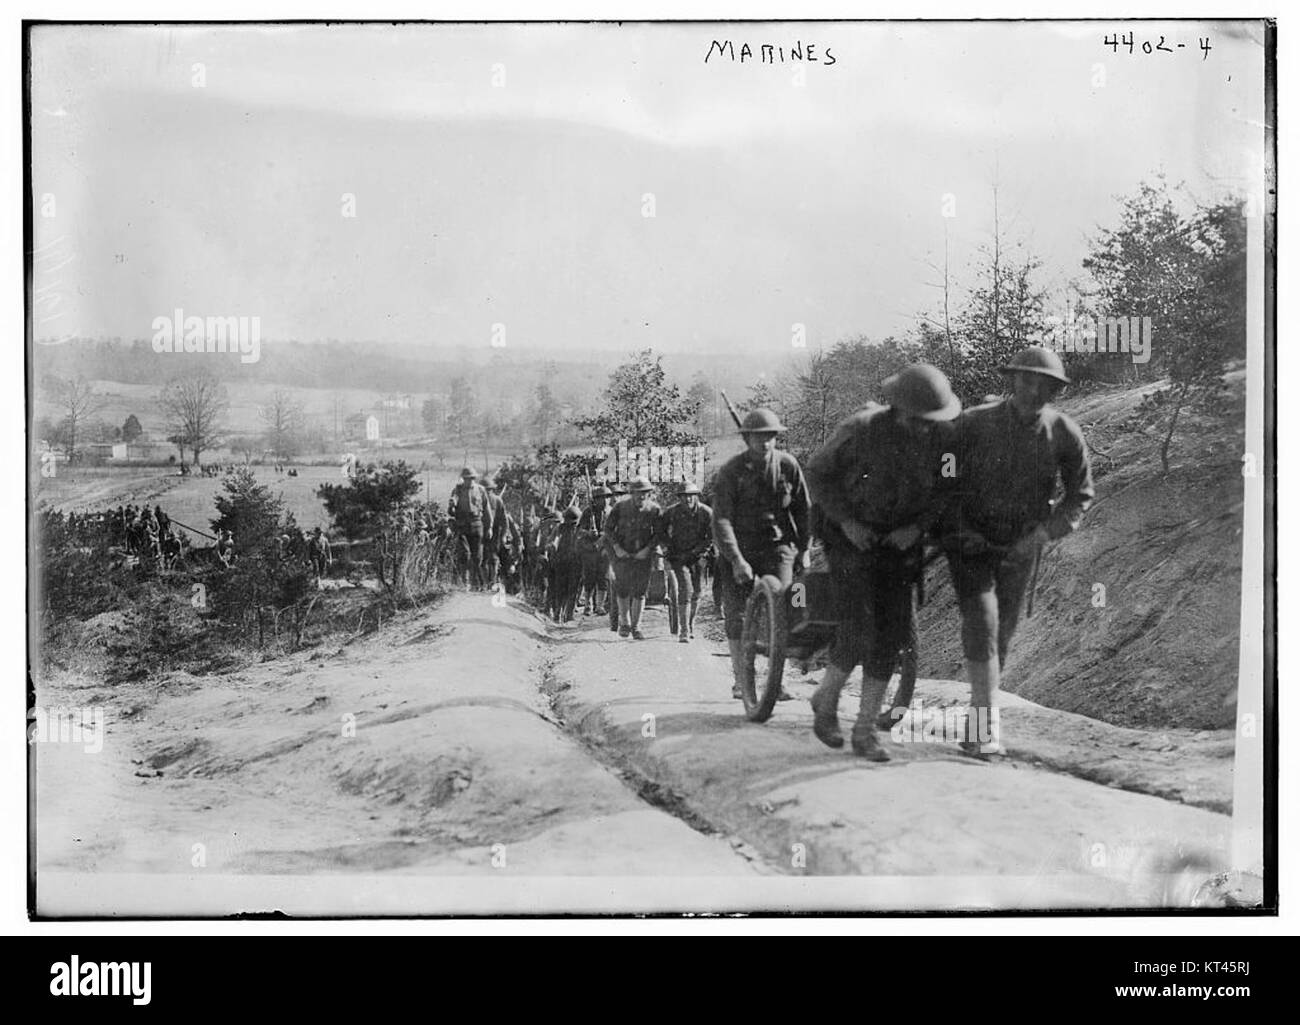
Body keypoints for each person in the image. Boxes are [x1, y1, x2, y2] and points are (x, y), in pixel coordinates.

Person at [941, 345, 1095, 758]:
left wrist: (1042, 535)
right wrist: (959, 528)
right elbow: (943, 476)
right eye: (1026, 380)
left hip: (1021, 548)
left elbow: (1079, 495)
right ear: (1012, 381)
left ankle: (976, 727)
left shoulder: (1064, 432)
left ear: (1054, 390)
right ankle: (984, 725)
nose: (1033, 390)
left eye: (1044, 384)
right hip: (971, 544)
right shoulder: (973, 423)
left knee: (1002, 635)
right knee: (983, 621)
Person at [805, 364, 961, 761]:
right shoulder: (860, 428)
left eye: (931, 420)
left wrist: (918, 527)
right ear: (897, 408)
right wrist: (847, 522)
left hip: (899, 540)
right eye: (917, 418)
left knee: (891, 637)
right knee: (857, 628)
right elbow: (819, 476)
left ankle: (864, 730)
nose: (924, 427)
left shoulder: (943, 441)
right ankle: (827, 700)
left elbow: (947, 489)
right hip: (848, 537)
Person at [712, 409, 811, 698]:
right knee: (738, 618)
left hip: (777, 548)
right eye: (758, 436)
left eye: (770, 436)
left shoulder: (788, 466)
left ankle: (776, 681)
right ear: (747, 439)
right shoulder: (731, 471)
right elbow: (721, 520)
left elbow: (804, 510)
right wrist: (736, 559)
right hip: (739, 549)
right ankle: (742, 680)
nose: (765, 442)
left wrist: (804, 549)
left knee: (781, 608)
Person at [602, 476, 662, 639]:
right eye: (638, 493)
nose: (641, 496)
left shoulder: (654, 510)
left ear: (649, 494)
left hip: (643, 555)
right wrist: (616, 547)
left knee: (640, 591)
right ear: (632, 493)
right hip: (622, 554)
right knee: (622, 589)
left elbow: (659, 533)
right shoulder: (620, 507)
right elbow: (608, 529)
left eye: (645, 493)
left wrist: (648, 549)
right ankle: (625, 624)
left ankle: (636, 627)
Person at [661, 480, 714, 643]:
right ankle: (683, 630)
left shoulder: (706, 513)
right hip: (678, 556)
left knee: (698, 591)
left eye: (691, 496)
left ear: (696, 496)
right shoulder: (672, 512)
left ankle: (690, 624)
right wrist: (668, 546)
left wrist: (698, 551)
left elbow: (711, 537)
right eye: (684, 496)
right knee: (685, 589)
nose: (688, 500)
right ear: (679, 498)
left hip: (698, 556)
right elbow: (660, 530)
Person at [447, 467, 492, 589]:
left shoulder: (481, 490)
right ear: (463, 479)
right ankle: (465, 582)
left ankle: (478, 583)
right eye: (466, 478)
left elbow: (487, 511)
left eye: (471, 478)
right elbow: (450, 512)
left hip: (477, 524)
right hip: (462, 525)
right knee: (465, 554)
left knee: (478, 556)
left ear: (474, 478)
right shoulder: (457, 490)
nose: (469, 481)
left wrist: (490, 527)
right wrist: (452, 506)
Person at [577, 484, 614, 617]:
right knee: (589, 578)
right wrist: (589, 533)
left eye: (607, 498)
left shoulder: (611, 512)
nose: (605, 501)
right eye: (601, 498)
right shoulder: (588, 512)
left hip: (605, 549)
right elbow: (579, 530)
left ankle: (600, 605)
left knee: (603, 578)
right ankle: (588, 605)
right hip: (590, 550)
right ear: (596, 499)